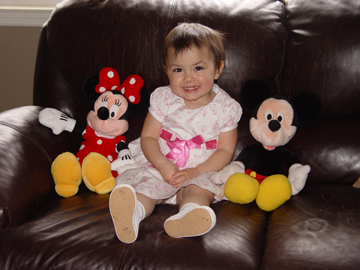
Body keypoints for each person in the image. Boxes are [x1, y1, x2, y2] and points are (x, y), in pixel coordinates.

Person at [109, 22, 242, 243]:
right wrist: (162, 165)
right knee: (147, 188)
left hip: (201, 169)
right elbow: (148, 137)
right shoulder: (163, 98)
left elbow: (225, 151)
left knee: (197, 191)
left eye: (198, 68)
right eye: (178, 70)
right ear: (166, 71)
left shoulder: (226, 108)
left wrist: (194, 171)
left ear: (218, 69)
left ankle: (189, 215)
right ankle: (132, 213)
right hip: (161, 163)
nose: (188, 78)